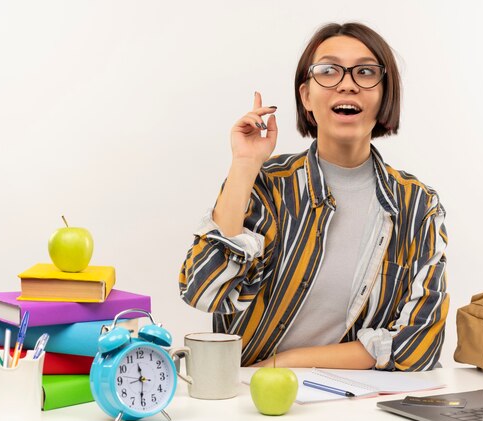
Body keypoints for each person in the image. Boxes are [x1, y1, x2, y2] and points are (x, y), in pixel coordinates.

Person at [179, 22, 448, 371]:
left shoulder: (417, 204)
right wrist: (244, 164)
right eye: (329, 71)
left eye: (365, 72)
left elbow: (420, 345)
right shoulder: (268, 186)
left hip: (353, 405)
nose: (347, 83)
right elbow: (205, 291)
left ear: (384, 95)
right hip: (249, 401)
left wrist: (287, 363)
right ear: (306, 96)